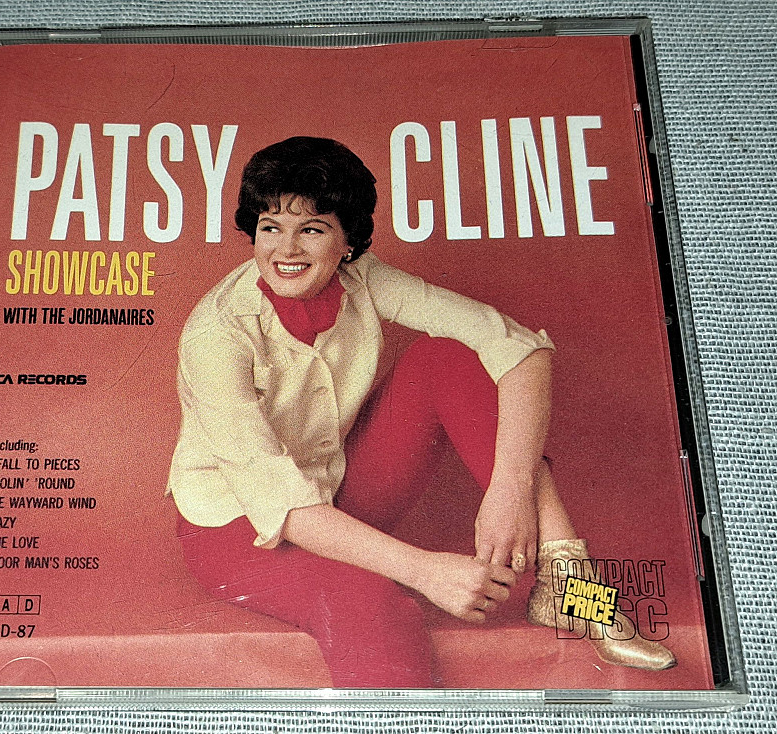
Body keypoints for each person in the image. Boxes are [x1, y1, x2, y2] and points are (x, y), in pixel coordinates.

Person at [167, 136, 675, 687]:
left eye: (311, 229)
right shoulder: (216, 334)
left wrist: (510, 488)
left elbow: (521, 348)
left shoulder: (362, 278)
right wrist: (426, 570)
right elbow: (283, 506)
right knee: (369, 600)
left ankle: (570, 582)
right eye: (271, 227)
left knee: (446, 358)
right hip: (239, 534)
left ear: (347, 242)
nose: (286, 250)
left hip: (335, 494)